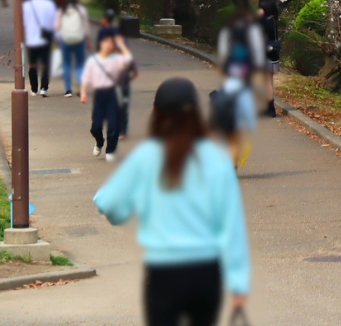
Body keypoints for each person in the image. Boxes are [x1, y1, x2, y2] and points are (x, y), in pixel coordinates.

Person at [94, 78, 249, 326]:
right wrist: (239, 283)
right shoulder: (217, 159)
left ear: (156, 114)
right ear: (196, 114)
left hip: (163, 272)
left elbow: (108, 202)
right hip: (206, 272)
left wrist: (120, 215)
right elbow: (232, 225)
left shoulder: (147, 156)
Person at [80, 27, 132, 161]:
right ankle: (99, 142)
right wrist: (83, 92)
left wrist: (121, 45)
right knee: (95, 127)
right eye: (106, 42)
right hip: (99, 95)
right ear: (101, 44)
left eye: (111, 43)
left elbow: (128, 59)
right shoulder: (93, 60)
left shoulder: (116, 59)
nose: (109, 45)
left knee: (113, 124)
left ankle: (110, 150)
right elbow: (86, 77)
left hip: (112, 94)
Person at [210, 62, 257, 169]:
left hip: (221, 118)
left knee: (224, 142)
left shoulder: (225, 86)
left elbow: (216, 101)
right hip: (235, 119)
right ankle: (233, 165)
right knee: (235, 142)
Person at [55, 0, 91, 96]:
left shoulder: (61, 11)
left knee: (66, 64)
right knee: (79, 63)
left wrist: (57, 39)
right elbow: (86, 26)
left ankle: (68, 89)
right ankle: (79, 83)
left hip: (65, 39)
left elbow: (57, 27)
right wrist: (88, 39)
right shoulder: (81, 10)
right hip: (79, 39)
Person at [22, 0, 57, 97]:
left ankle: (34, 88)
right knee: (46, 64)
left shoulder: (27, 5)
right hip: (45, 38)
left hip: (31, 39)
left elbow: (24, 23)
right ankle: (44, 88)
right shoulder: (49, 4)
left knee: (33, 65)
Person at [258, 0, 280, 118]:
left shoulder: (267, 22)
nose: (260, 10)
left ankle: (270, 109)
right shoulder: (273, 20)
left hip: (267, 54)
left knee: (267, 82)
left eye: (262, 8)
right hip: (272, 54)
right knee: (268, 81)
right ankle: (270, 108)